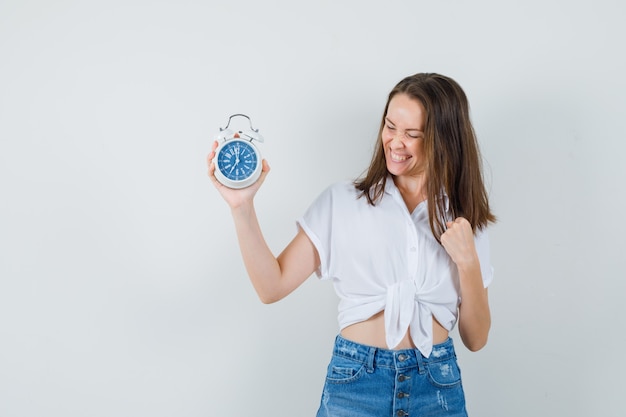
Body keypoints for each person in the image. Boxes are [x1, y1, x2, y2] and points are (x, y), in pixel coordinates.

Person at [207, 72, 496, 417]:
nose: (395, 142)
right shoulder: (342, 203)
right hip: (357, 385)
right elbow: (272, 286)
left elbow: (476, 339)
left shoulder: (463, 220)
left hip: (436, 388)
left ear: (445, 140)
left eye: (412, 134)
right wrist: (242, 208)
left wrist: (468, 263)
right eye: (390, 127)